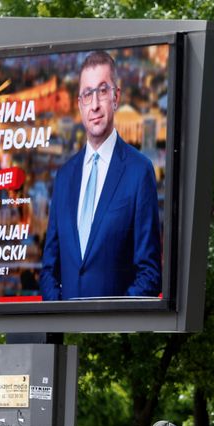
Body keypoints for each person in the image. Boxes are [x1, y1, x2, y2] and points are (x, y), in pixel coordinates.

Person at [40, 50, 162, 300]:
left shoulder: (139, 171)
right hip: (66, 332)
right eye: (87, 94)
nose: (94, 104)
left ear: (116, 97)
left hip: (113, 334)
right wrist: (63, 315)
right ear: (79, 104)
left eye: (102, 91)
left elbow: (150, 274)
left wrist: (110, 321)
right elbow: (48, 271)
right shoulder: (64, 178)